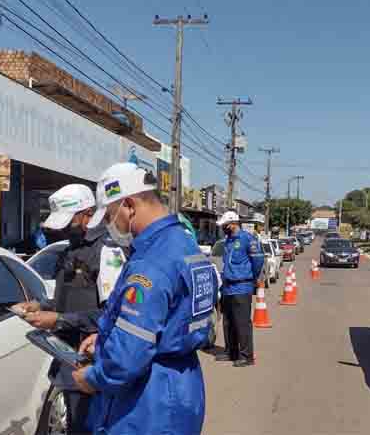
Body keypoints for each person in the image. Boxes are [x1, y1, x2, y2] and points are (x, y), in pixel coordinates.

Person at [69, 162, 218, 434]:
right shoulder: (186, 244)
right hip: (183, 387)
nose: (107, 225)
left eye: (109, 216)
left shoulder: (151, 262)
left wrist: (92, 379)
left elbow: (128, 356)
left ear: (129, 206)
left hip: (148, 402)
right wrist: (105, 337)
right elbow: (171, 319)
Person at [13, 184, 126, 434]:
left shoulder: (107, 252)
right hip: (69, 360)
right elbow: (68, 299)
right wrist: (40, 306)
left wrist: (59, 320)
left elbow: (114, 316)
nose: (63, 228)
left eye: (68, 222)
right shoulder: (69, 250)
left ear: (87, 214)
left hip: (93, 365)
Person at [216, 210, 264, 367]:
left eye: (225, 225)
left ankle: (246, 356)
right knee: (228, 322)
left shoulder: (247, 239)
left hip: (242, 286)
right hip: (228, 287)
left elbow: (258, 260)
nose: (223, 228)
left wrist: (252, 277)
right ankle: (231, 351)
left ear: (233, 224)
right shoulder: (228, 241)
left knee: (242, 323)